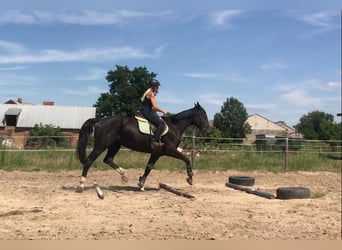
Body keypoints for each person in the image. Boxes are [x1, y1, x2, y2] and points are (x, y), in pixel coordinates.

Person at [140, 79, 168, 149]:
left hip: (146, 111)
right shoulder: (151, 93)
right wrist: (163, 111)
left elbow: (152, 108)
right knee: (161, 123)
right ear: (153, 86)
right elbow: (154, 107)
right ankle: (154, 141)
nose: (158, 88)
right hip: (146, 112)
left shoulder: (148, 92)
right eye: (157, 86)